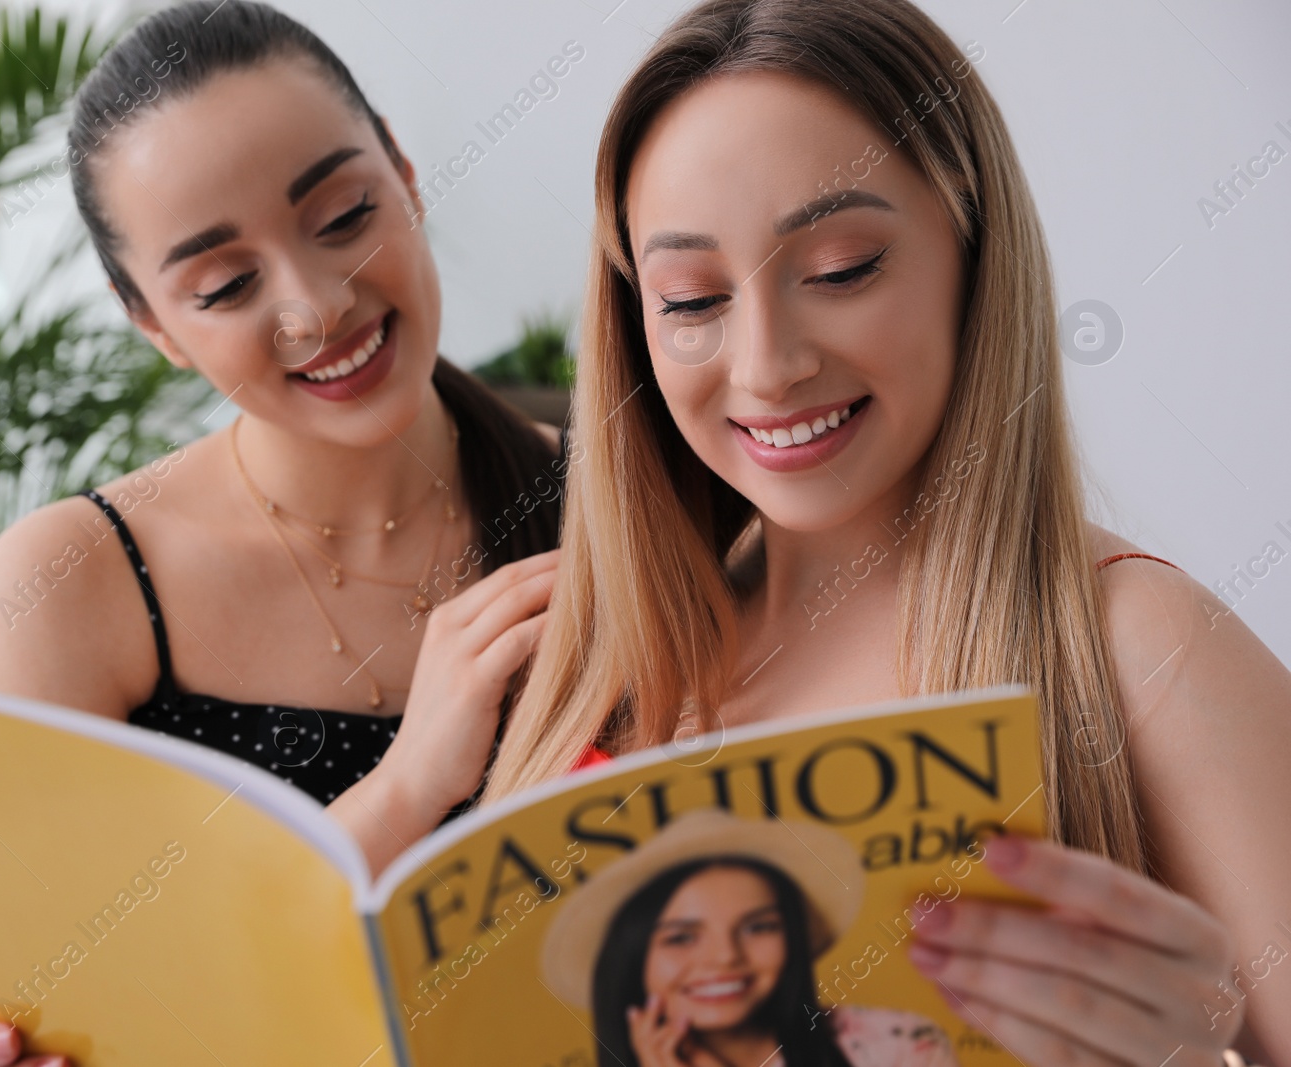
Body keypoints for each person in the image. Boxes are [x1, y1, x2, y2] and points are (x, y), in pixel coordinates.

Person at [482, 1, 1291, 1064]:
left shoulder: (1141, 650)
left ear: (973, 256)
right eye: (689, 298)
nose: (767, 364)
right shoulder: (599, 665)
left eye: (841, 269)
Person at [0, 3, 567, 1065]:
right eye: (225, 284)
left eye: (341, 215)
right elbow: (110, 988)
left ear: (408, 176)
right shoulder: (71, 577)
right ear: (152, 322)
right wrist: (411, 782)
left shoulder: (606, 500)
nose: (316, 304)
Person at [542, 810, 958, 1067]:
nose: (725, 957)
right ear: (632, 954)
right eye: (682, 937)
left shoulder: (900, 1046)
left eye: (758, 927)